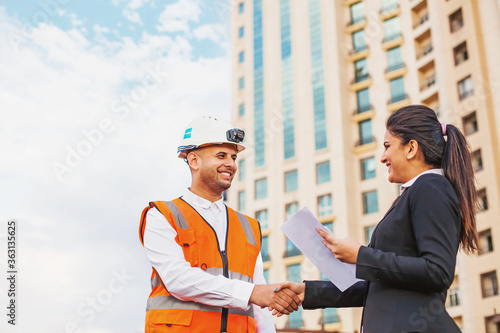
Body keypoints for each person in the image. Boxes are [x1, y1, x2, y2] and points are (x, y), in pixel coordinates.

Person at [276, 105, 478, 332]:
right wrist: (309, 292)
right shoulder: (416, 192)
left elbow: (437, 271)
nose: (382, 157)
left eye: (387, 146)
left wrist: (361, 255)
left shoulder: (430, 187)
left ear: (411, 148)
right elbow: (380, 286)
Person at [138, 115, 300, 333]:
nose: (230, 164)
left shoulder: (249, 227)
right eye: (221, 155)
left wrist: (259, 296)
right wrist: (251, 293)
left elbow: (261, 305)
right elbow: (178, 278)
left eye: (233, 157)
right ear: (194, 160)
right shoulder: (161, 215)